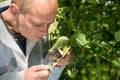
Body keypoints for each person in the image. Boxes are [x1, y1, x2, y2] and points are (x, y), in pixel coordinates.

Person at [0, 0, 71, 80]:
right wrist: (22, 78)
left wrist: (56, 64)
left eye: (50, 24)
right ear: (14, 11)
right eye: (38, 24)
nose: (46, 32)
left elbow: (45, 77)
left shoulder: (41, 19)